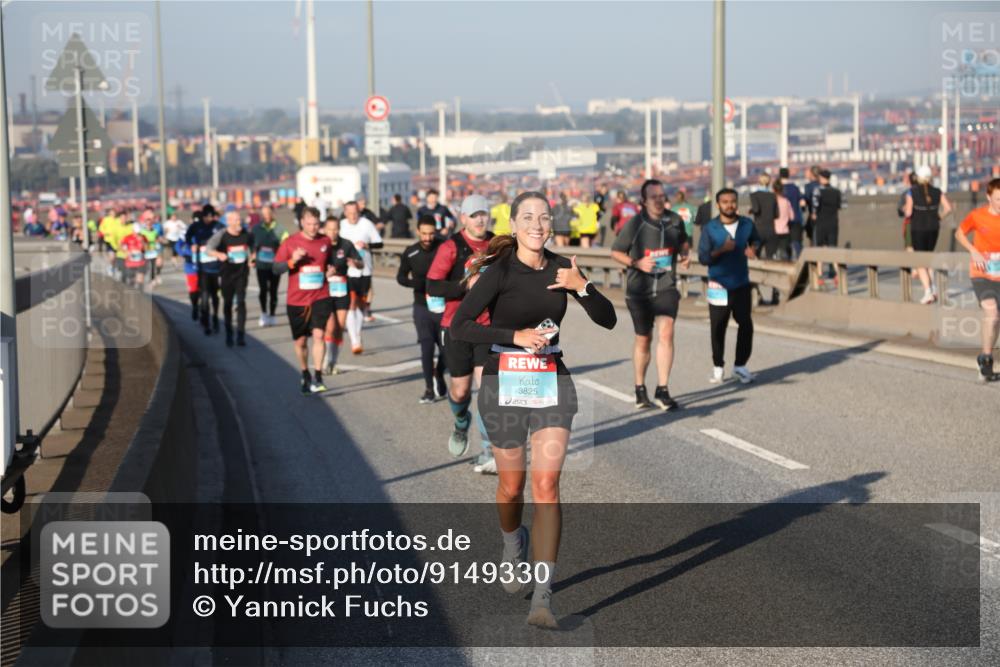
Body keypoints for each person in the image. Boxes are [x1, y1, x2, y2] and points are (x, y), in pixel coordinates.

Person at [451, 190, 616, 628]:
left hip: (550, 382)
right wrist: (514, 335)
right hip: (504, 381)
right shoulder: (499, 270)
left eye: (544, 217)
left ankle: (542, 598)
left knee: (547, 486)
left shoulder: (565, 268)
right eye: (528, 217)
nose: (538, 225)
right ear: (513, 224)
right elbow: (460, 326)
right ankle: (511, 542)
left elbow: (608, 318)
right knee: (511, 487)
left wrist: (584, 287)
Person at [426, 195, 496, 471]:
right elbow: (433, 286)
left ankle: (489, 451)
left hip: (487, 327)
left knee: (487, 389)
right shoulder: (451, 247)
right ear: (464, 218)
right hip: (455, 326)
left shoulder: (498, 245)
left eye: (484, 214)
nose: (480, 219)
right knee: (460, 390)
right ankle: (460, 421)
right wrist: (466, 287)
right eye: (474, 214)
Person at [610, 179, 689, 410]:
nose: (659, 200)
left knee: (667, 333)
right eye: (653, 196)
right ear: (643, 201)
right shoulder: (635, 224)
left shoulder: (675, 220)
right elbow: (615, 252)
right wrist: (637, 262)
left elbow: (683, 242)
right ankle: (639, 387)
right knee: (644, 339)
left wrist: (685, 254)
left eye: (662, 195)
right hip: (639, 291)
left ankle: (662, 390)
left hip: (666, 287)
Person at [697, 188, 761, 384]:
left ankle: (740, 366)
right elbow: (703, 258)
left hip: (741, 283)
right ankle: (718, 367)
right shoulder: (710, 228)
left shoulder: (747, 224)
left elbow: (756, 241)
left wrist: (753, 250)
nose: (729, 205)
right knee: (718, 327)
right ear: (718, 205)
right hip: (718, 284)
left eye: (733, 201)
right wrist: (721, 250)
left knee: (746, 325)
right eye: (725, 202)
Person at [273, 207, 338, 394]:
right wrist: (292, 260)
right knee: (301, 342)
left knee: (319, 335)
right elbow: (276, 268)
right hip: (297, 300)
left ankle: (318, 376)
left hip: (320, 295)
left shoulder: (325, 241)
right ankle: (305, 373)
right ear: (302, 222)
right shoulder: (290, 242)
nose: (313, 227)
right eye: (309, 224)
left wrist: (331, 270)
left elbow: (330, 262)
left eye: (316, 224)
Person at [396, 215, 448, 403]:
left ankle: (439, 374)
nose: (427, 238)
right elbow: (400, 277)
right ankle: (428, 390)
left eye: (431, 234)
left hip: (444, 307)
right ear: (418, 232)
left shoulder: (444, 247)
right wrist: (416, 283)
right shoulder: (410, 252)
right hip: (421, 307)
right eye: (424, 234)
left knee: (447, 351)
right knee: (426, 348)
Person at [954, 177, 1000, 382]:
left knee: (996, 319)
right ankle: (987, 359)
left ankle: (986, 353)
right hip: (981, 273)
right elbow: (959, 233)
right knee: (991, 311)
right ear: (989, 197)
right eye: (998, 199)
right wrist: (973, 251)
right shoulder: (977, 216)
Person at [904, 165, 953, 304]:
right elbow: (948, 208)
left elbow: (908, 212)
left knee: (919, 260)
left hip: (918, 228)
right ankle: (933, 288)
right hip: (933, 228)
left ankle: (928, 292)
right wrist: (939, 217)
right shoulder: (938, 191)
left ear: (918, 178)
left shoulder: (912, 192)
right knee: (929, 257)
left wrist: (905, 211)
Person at [338, 201, 383, 353]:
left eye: (355, 212)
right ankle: (355, 340)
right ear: (345, 213)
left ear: (359, 211)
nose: (352, 216)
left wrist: (367, 245)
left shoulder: (367, 224)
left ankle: (357, 333)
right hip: (347, 272)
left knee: (360, 305)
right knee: (351, 303)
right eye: (349, 213)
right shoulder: (341, 225)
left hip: (365, 270)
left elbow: (379, 243)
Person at [321, 217, 364, 374]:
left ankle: (334, 361)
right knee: (330, 326)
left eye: (336, 229)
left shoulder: (346, 244)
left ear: (339, 229)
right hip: (325, 290)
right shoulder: (321, 245)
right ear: (324, 229)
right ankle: (326, 359)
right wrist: (326, 274)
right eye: (330, 229)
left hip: (341, 290)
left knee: (339, 327)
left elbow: (361, 263)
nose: (333, 232)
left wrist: (355, 263)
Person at [207, 210, 253, 347]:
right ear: (229, 222)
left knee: (241, 302)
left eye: (240, 220)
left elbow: (252, 248)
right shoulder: (221, 235)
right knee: (227, 304)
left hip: (242, 274)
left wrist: (252, 258)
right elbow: (208, 249)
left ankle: (240, 335)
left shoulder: (246, 234)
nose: (240, 222)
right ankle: (229, 334)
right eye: (237, 220)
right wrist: (218, 254)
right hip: (226, 274)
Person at [186, 204, 224, 336]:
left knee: (215, 296)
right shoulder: (196, 226)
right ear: (203, 216)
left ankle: (215, 319)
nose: (209, 219)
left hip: (216, 267)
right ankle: (206, 323)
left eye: (211, 216)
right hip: (202, 268)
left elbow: (226, 239)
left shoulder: (218, 226)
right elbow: (187, 236)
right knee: (205, 296)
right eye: (207, 216)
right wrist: (192, 245)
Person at [251, 205, 282, 326]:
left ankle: (273, 314)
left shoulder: (279, 228)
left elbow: (286, 244)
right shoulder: (256, 228)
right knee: (263, 290)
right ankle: (264, 313)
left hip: (275, 265)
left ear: (273, 214)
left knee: (273, 291)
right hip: (261, 265)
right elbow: (251, 243)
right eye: (264, 214)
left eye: (269, 213)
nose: (267, 216)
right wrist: (252, 253)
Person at [812, 169, 842, 281]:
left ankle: (820, 274)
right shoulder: (836, 191)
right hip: (833, 222)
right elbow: (841, 206)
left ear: (823, 178)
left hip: (821, 222)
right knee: (832, 247)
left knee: (820, 247)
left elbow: (815, 206)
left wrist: (814, 214)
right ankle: (837, 273)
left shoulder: (818, 191)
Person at [749, 173, 778, 260]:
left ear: (759, 181)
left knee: (755, 257)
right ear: (769, 182)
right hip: (771, 230)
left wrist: (751, 211)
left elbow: (756, 209)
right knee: (771, 258)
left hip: (759, 230)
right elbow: (777, 214)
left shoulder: (754, 195)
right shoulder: (773, 196)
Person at [779, 168, 806, 260]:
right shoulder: (795, 188)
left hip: (782, 220)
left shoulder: (778, 189)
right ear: (788, 175)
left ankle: (787, 263)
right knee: (797, 243)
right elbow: (802, 202)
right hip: (796, 218)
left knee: (784, 245)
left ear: (780, 175)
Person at [175, 236, 201, 320]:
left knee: (202, 291)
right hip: (191, 272)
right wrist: (180, 240)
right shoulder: (186, 250)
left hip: (203, 270)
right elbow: (178, 248)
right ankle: (194, 306)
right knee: (193, 290)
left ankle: (200, 306)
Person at [119, 223, 149, 288]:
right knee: (131, 281)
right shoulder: (127, 237)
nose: (138, 234)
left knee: (140, 280)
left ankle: (141, 295)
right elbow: (121, 246)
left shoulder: (143, 237)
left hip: (141, 262)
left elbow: (146, 248)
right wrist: (126, 251)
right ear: (133, 230)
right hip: (130, 262)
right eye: (136, 232)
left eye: (139, 232)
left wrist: (142, 242)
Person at [803, 165, 822, 245]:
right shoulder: (822, 185)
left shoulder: (809, 187)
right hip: (823, 216)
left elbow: (806, 200)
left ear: (812, 174)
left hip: (812, 216)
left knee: (812, 239)